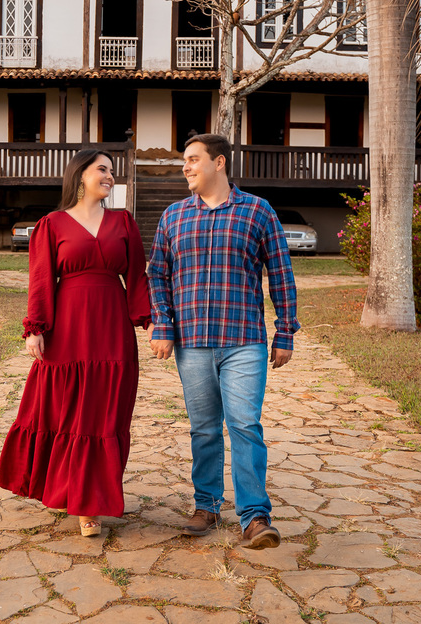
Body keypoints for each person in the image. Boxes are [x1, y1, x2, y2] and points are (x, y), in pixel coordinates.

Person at [147, 133, 299, 550]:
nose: (186, 167)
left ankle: (255, 517)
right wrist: (163, 325)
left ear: (219, 163)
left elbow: (281, 274)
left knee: (245, 425)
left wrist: (285, 331)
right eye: (184, 161)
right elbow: (157, 274)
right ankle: (207, 506)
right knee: (204, 429)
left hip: (243, 341)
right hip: (192, 341)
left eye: (193, 159)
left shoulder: (258, 211)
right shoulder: (174, 216)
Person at [0, 149, 151, 537]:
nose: (110, 176)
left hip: (111, 329)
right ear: (80, 175)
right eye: (102, 169)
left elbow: (137, 277)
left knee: (103, 413)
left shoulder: (124, 222)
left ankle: (89, 504)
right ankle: (66, 487)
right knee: (62, 410)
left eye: (112, 171)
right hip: (67, 328)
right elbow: (41, 279)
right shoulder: (51, 224)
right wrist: (35, 327)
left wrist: (149, 320)